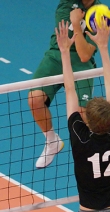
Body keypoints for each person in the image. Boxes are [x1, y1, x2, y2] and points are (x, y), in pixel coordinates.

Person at [55, 17, 110, 212]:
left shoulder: (83, 139)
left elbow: (70, 90)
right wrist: (104, 47)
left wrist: (65, 51)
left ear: (86, 120)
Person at [28, 0, 101, 168]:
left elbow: (84, 55)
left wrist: (76, 24)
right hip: (57, 54)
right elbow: (67, 46)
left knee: (83, 114)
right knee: (35, 99)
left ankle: (91, 159)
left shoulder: (102, 13)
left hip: (81, 64)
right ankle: (51, 141)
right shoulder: (66, 5)